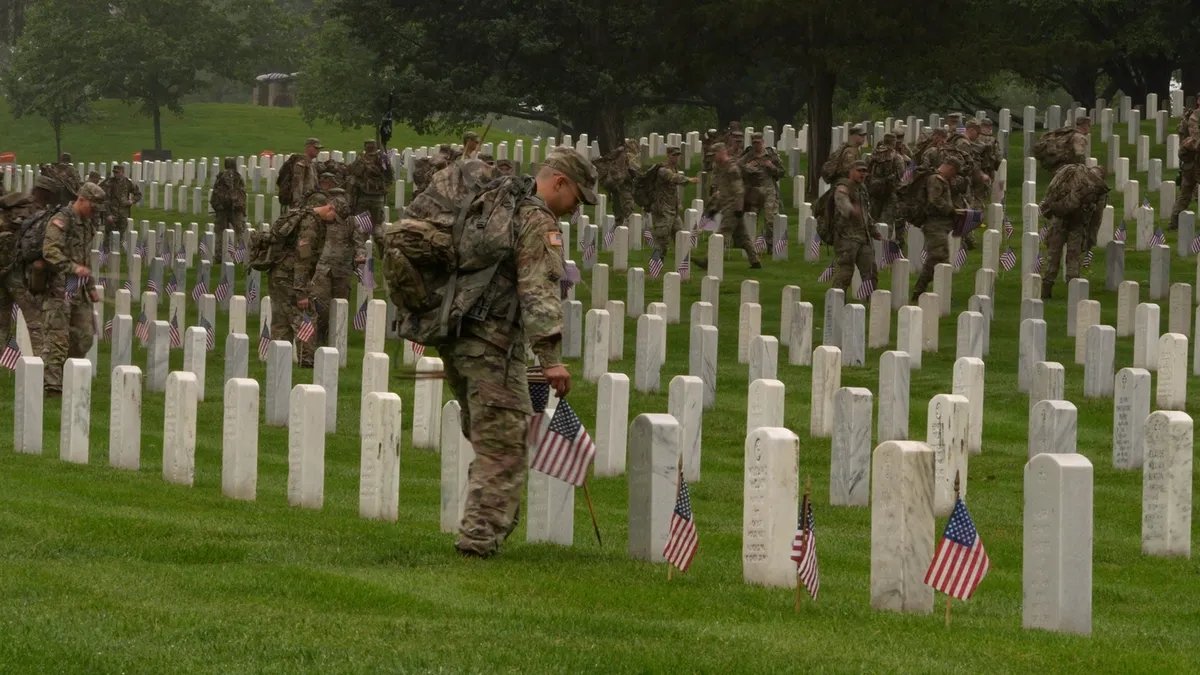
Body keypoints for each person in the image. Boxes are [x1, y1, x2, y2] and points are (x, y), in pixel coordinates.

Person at [448, 147, 593, 558]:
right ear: (560, 182)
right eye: (576, 199)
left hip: (459, 334)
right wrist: (551, 359)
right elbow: (538, 287)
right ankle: (477, 543)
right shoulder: (535, 218)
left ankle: (487, 527)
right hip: (491, 344)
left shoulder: (496, 204)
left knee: (488, 434)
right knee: (505, 446)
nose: (574, 210)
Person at [40, 182, 103, 395]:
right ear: (81, 199)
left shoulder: (87, 224)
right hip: (59, 284)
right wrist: (73, 268)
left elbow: (85, 258)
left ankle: (71, 377)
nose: (94, 211)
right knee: (57, 336)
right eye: (92, 206)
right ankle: (51, 386)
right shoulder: (61, 220)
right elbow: (50, 252)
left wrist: (91, 286)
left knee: (84, 335)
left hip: (78, 285)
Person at [2, 176, 56, 355]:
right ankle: (40, 357)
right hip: (18, 272)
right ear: (45, 193)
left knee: (2, 319)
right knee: (34, 317)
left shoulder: (14, 203)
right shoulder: (38, 213)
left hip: (2, 267)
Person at [1039, 164, 1109, 298]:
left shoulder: (1072, 173)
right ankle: (1074, 292)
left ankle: (1046, 290)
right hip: (1078, 223)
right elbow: (1096, 218)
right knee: (1073, 257)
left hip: (1059, 220)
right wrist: (1090, 239)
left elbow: (1053, 189)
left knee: (1053, 255)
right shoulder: (1100, 191)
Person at [304, 197, 362, 357]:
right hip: (323, 268)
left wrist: (360, 255)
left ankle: (337, 341)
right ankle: (319, 336)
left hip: (342, 270)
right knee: (320, 305)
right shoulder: (320, 220)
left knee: (341, 306)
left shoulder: (351, 222)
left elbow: (359, 242)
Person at [288, 202, 341, 367]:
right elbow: (302, 260)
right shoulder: (310, 226)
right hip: (294, 277)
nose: (334, 222)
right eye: (334, 217)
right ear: (330, 207)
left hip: (284, 275)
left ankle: (280, 359)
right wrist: (301, 292)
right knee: (308, 316)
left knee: (282, 320)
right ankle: (307, 360)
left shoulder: (312, 219)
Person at [695, 142, 759, 269]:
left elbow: (739, 190)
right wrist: (714, 207)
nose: (712, 158)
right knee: (742, 236)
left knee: (722, 235)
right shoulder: (720, 167)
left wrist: (739, 209)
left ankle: (708, 261)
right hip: (725, 205)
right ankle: (755, 261)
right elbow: (721, 189)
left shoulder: (731, 169)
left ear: (721, 153)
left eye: (714, 155)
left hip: (733, 207)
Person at [911, 157, 961, 302]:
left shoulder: (939, 179)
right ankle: (920, 289)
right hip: (934, 224)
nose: (954, 176)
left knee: (942, 258)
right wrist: (951, 210)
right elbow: (935, 200)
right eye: (955, 172)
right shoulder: (936, 179)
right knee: (937, 257)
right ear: (950, 168)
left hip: (941, 225)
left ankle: (942, 291)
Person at [829, 161, 880, 293]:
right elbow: (843, 205)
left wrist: (873, 230)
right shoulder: (843, 187)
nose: (862, 174)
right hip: (846, 238)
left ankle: (873, 303)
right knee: (845, 272)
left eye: (865, 171)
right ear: (851, 171)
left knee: (870, 271)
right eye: (859, 170)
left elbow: (865, 213)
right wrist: (852, 210)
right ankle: (837, 301)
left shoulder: (862, 189)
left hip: (863, 238)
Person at [648, 146, 699, 259]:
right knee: (662, 241)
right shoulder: (662, 170)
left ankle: (687, 262)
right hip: (663, 210)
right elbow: (673, 178)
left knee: (681, 236)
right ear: (668, 155)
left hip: (673, 210)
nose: (676, 158)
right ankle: (655, 265)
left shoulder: (674, 168)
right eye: (673, 155)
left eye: (677, 155)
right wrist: (689, 179)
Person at [739, 131, 785, 245]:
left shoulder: (771, 155)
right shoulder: (748, 155)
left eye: (758, 142)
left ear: (762, 142)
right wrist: (747, 168)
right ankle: (750, 243)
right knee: (751, 217)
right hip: (754, 190)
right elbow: (737, 168)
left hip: (769, 189)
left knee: (770, 218)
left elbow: (782, 172)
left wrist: (772, 167)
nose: (756, 145)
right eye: (754, 143)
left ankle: (769, 243)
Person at [348, 139, 394, 240]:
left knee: (361, 228)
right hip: (378, 199)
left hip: (363, 198)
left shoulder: (360, 159)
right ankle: (381, 249)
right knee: (377, 227)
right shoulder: (383, 159)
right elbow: (390, 176)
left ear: (365, 147)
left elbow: (353, 173)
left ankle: (362, 252)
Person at [210, 158, 247, 263]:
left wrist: (216, 206)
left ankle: (219, 256)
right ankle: (240, 256)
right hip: (236, 209)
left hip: (222, 209)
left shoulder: (221, 177)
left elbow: (215, 193)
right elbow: (243, 194)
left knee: (220, 233)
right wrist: (243, 209)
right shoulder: (238, 177)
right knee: (239, 232)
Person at [1170, 105, 1200, 230]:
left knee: (1187, 193)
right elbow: (1195, 138)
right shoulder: (1195, 116)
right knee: (1186, 193)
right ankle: (1174, 222)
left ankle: (1174, 222)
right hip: (1193, 162)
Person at [866, 134, 906, 226]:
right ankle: (884, 239)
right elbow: (900, 174)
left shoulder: (873, 155)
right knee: (886, 222)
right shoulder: (897, 157)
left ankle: (873, 239)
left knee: (873, 219)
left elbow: (866, 171)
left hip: (874, 191)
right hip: (890, 192)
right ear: (894, 142)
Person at [100, 164, 142, 236]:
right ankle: (106, 247)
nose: (115, 174)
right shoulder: (108, 182)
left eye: (117, 172)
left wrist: (132, 201)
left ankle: (119, 246)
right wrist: (107, 214)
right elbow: (101, 195)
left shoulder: (128, 183)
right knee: (108, 235)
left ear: (122, 172)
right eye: (114, 172)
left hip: (123, 213)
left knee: (121, 234)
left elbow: (138, 194)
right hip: (111, 212)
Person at [288, 138, 322, 208]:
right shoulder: (301, 164)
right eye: (316, 148)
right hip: (302, 203)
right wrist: (297, 204)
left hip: (310, 202)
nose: (318, 150)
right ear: (308, 147)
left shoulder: (312, 164)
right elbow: (297, 185)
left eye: (319, 148)